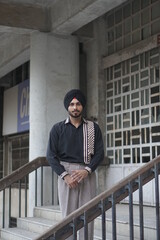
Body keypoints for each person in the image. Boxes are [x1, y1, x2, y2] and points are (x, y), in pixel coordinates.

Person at [46, 89, 104, 240]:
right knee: (68, 217)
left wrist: (88, 170)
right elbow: (51, 156)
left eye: (78, 104)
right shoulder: (57, 129)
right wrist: (65, 176)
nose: (75, 107)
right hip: (66, 174)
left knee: (88, 215)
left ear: (82, 106)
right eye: (71, 104)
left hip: (87, 173)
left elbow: (99, 153)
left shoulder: (92, 128)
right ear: (67, 107)